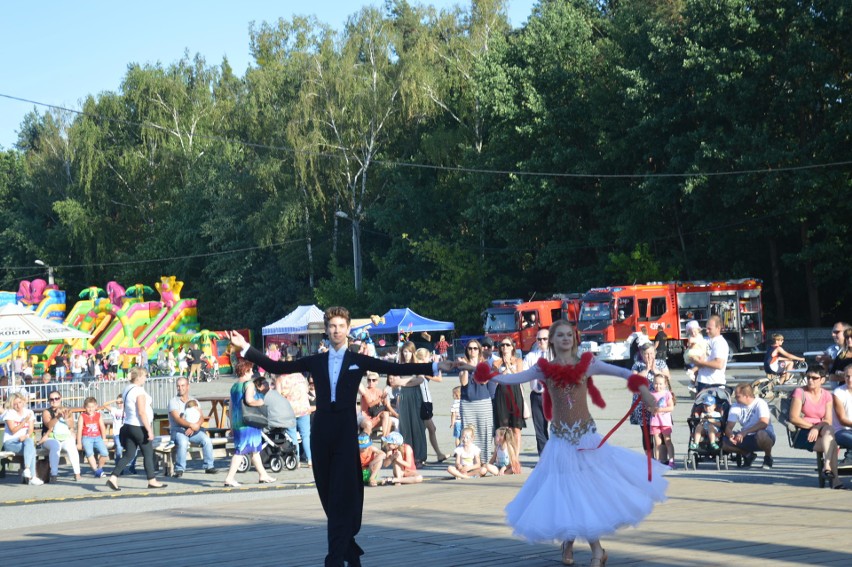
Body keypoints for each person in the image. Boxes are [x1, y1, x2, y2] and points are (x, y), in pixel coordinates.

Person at [229, 306, 454, 567]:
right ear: (327, 330)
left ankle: (334, 559)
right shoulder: (316, 361)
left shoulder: (358, 359)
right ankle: (349, 549)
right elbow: (276, 365)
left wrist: (436, 364)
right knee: (327, 494)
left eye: (340, 326)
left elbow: (393, 367)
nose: (336, 330)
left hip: (346, 432)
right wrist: (245, 347)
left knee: (344, 495)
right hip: (322, 431)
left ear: (348, 329)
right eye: (332, 326)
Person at [458, 319, 666, 567]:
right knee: (569, 492)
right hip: (560, 442)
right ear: (553, 341)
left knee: (582, 492)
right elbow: (511, 379)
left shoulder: (587, 364)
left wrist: (645, 393)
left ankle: (591, 549)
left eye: (569, 334)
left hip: (585, 440)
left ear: (575, 339)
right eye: (560, 335)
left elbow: (623, 373)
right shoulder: (544, 369)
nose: (566, 338)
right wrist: (474, 370)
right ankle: (577, 545)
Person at [105, 367, 167, 490]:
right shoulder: (139, 391)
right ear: (138, 377)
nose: (145, 378)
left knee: (128, 454)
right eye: (144, 376)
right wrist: (149, 430)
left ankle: (113, 477)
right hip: (139, 426)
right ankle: (152, 480)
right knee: (148, 453)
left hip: (128, 425)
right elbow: (142, 412)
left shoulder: (127, 389)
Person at [223, 361, 277, 487]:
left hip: (237, 421)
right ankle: (229, 478)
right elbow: (249, 401)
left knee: (254, 450)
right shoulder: (249, 384)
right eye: (251, 370)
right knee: (241, 450)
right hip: (248, 422)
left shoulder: (234, 386)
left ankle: (263, 475)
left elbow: (230, 407)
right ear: (246, 371)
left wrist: (231, 424)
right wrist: (260, 402)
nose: (253, 373)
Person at [788, 369, 843, 489]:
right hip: (802, 431)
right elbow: (794, 418)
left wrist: (817, 428)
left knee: (829, 430)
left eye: (814, 378)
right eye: (808, 377)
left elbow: (828, 419)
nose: (810, 380)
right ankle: (835, 480)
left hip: (820, 430)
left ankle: (827, 467)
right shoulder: (800, 392)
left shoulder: (827, 395)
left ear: (822, 380)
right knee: (832, 444)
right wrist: (813, 428)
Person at [167, 377, 218, 477]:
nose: (180, 388)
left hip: (194, 430)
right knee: (183, 442)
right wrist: (191, 425)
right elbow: (178, 419)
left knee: (207, 440)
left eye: (182, 385)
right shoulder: (173, 401)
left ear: (188, 387)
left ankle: (209, 466)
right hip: (179, 430)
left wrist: (196, 426)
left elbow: (201, 416)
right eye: (178, 386)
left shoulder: (194, 401)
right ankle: (179, 469)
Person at [457, 339, 497, 462]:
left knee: (484, 431)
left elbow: (484, 380)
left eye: (475, 348)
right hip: (467, 402)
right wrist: (464, 368)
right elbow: (463, 382)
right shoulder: (463, 364)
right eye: (470, 348)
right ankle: (468, 460)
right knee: (468, 431)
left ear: (479, 350)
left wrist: (470, 367)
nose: (472, 351)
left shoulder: (484, 364)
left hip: (483, 401)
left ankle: (484, 461)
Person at [389, 342, 428, 466]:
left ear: (413, 352)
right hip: (404, 396)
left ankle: (420, 457)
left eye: (409, 351)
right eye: (404, 351)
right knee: (405, 426)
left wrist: (404, 382)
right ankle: (408, 455)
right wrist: (408, 382)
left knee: (417, 426)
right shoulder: (400, 365)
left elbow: (420, 379)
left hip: (415, 396)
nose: (406, 354)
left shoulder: (417, 365)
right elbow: (394, 382)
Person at [723, 383, 776, 469]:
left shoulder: (760, 403)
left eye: (737, 396)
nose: (735, 398)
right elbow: (729, 427)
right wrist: (730, 435)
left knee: (761, 434)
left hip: (763, 435)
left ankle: (768, 457)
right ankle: (748, 455)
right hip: (745, 436)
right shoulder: (735, 406)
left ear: (746, 396)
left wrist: (745, 432)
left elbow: (764, 423)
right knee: (723, 442)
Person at [414, 347, 451, 464]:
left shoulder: (425, 368)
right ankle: (423, 455)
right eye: (428, 357)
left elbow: (439, 377)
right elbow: (439, 379)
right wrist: (433, 368)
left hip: (427, 402)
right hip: (423, 402)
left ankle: (434, 454)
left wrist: (436, 365)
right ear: (423, 358)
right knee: (429, 428)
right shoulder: (420, 369)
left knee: (429, 428)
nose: (430, 359)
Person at [39, 390, 82, 482]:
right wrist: (57, 417)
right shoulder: (47, 412)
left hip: (64, 437)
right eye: (51, 399)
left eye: (56, 398)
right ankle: (54, 474)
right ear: (49, 400)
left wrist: (66, 419)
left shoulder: (67, 411)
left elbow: (71, 426)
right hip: (50, 437)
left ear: (60, 398)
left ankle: (77, 472)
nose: (54, 401)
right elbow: (49, 425)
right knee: (55, 446)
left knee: (71, 446)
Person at [492, 337, 526, 454]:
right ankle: (504, 455)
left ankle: (515, 455)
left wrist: (510, 366)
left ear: (512, 347)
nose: (504, 347)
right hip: (502, 392)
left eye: (507, 345)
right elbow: (495, 380)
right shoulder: (496, 363)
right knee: (503, 427)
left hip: (515, 392)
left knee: (516, 428)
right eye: (502, 345)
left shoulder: (518, 361)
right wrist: (504, 370)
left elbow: (520, 377)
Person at [2, 392, 43, 485]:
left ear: (23, 402)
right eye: (15, 404)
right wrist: (24, 421)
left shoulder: (29, 412)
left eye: (20, 402)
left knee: (30, 444)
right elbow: (13, 430)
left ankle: (27, 469)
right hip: (10, 442)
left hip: (24, 441)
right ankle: (33, 476)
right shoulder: (9, 413)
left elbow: (31, 429)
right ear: (12, 404)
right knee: (31, 449)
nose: (18, 406)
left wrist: (26, 436)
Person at [524, 329, 551, 455]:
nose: (542, 342)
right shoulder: (531, 357)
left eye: (545, 339)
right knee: (540, 429)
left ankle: (559, 457)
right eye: (539, 339)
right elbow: (521, 373)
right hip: (537, 395)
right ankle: (544, 457)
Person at [279, 372, 314, 467]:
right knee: (306, 436)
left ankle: (296, 460)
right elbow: (306, 390)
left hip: (290, 411)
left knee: (293, 437)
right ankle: (310, 459)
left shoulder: (282, 378)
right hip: (304, 409)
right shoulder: (301, 376)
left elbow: (279, 395)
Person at [264, 375, 299, 466]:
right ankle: (297, 456)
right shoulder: (297, 379)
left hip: (276, 419)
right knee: (293, 436)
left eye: (272, 384)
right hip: (289, 416)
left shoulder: (274, 390)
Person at [693, 315, 728, 392]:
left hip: (714, 384)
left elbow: (719, 364)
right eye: (706, 328)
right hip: (701, 382)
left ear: (718, 328)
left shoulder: (720, 342)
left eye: (709, 329)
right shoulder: (704, 340)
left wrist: (701, 362)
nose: (707, 331)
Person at [76, 396, 109, 478]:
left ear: (96, 407)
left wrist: (104, 438)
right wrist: (79, 442)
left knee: (105, 453)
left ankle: (100, 468)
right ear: (85, 407)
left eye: (92, 407)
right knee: (90, 453)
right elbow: (79, 429)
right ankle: (95, 470)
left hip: (97, 437)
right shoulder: (82, 416)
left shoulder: (98, 415)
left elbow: (102, 427)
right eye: (88, 407)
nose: (90, 409)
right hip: (86, 437)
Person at [649, 375, 675, 468]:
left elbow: (671, 407)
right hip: (655, 422)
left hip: (665, 422)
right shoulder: (651, 394)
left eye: (660, 384)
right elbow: (648, 407)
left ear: (665, 384)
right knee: (658, 443)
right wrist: (652, 409)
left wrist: (659, 410)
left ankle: (671, 460)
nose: (657, 386)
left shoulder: (667, 394)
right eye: (655, 383)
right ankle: (657, 461)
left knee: (668, 441)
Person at [359, 371, 391, 437]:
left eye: (373, 380)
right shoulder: (365, 390)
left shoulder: (379, 391)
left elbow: (385, 404)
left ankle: (384, 438)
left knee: (387, 415)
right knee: (386, 419)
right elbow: (370, 404)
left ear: (377, 382)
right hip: (366, 417)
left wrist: (385, 398)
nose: (371, 382)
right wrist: (380, 398)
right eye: (369, 380)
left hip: (375, 416)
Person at [833, 366, 852, 467]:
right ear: (844, 377)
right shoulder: (838, 393)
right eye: (847, 376)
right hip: (840, 430)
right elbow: (842, 420)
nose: (850, 379)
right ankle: (849, 459)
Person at [683, 320, 707, 392]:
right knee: (701, 364)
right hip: (694, 352)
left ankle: (692, 383)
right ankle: (691, 371)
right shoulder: (691, 338)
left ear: (698, 330)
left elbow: (702, 344)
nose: (693, 333)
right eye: (692, 332)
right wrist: (691, 344)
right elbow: (690, 346)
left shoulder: (700, 336)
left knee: (698, 370)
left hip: (700, 351)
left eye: (695, 331)